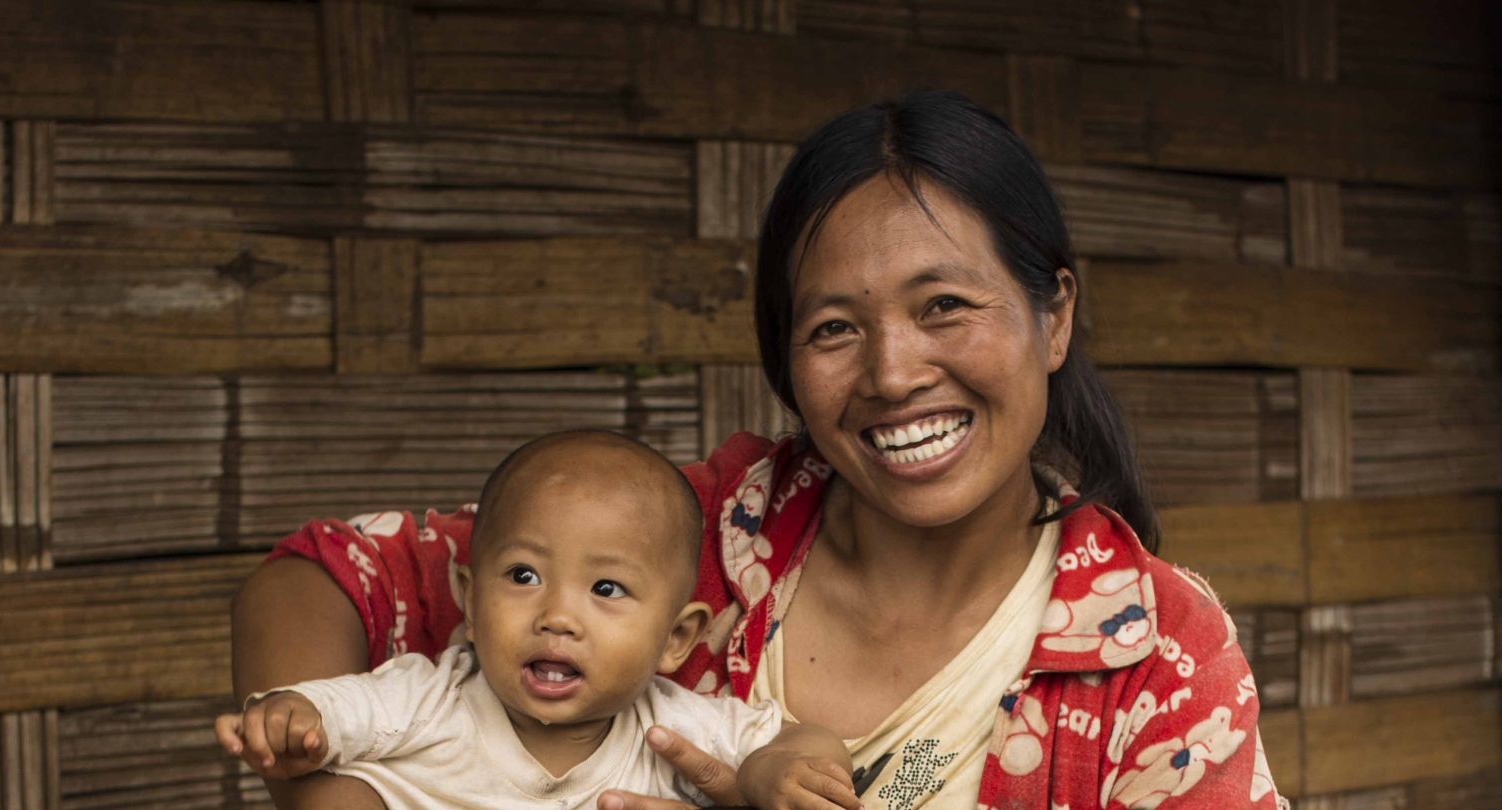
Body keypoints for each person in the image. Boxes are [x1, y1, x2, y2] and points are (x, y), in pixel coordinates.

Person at [233, 91, 1286, 810]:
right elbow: (326, 574)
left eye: (945, 306)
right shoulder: (689, 538)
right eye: (833, 328)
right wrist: (334, 792)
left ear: (1053, 318)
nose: (891, 373)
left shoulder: (1153, 659)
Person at [216, 430, 858, 810]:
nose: (557, 616)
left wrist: (771, 773)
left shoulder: (676, 728)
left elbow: (807, 744)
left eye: (606, 588)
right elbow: (328, 714)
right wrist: (288, 717)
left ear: (675, 638)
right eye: (523, 576)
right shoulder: (426, 699)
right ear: (470, 601)